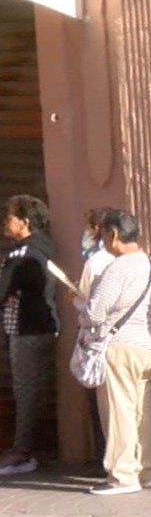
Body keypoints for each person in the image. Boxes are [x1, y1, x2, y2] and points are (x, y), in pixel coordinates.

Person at [82, 210, 151, 495]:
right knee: (144, 410)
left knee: (118, 411)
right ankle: (148, 469)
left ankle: (122, 475)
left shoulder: (117, 268)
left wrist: (82, 311)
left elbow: (95, 313)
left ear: (114, 234)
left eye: (103, 235)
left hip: (121, 346)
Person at [0, 195, 58, 477]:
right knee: (34, 389)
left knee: (25, 391)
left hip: (26, 329)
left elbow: (3, 289)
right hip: (41, 327)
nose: (5, 221)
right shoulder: (46, 247)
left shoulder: (22, 254)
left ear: (24, 222)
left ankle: (22, 451)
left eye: (10, 217)